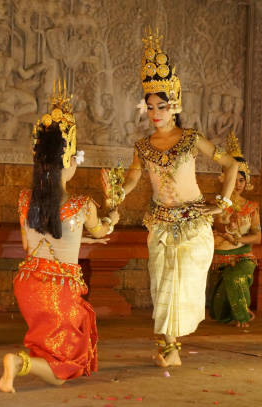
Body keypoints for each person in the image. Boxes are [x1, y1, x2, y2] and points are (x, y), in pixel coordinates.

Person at [102, 29, 239, 368]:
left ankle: (171, 342)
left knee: (184, 285)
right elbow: (135, 176)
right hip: (160, 223)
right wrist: (120, 191)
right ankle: (167, 345)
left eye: (160, 107)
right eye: (149, 108)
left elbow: (231, 164)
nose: (155, 114)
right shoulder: (143, 146)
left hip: (193, 225)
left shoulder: (192, 138)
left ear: (174, 106)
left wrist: (222, 202)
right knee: (163, 286)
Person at [0, 83, 119, 392]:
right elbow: (103, 230)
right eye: (76, 156)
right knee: (68, 366)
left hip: (28, 284)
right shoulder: (82, 205)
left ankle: (27, 361)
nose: (78, 162)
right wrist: (114, 211)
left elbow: (32, 244)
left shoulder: (25, 199)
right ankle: (17, 364)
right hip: (58, 290)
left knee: (50, 345)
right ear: (66, 160)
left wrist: (80, 242)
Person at [209, 132, 260, 328]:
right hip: (220, 258)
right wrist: (224, 231)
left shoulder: (252, 206)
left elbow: (257, 236)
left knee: (234, 277)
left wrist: (239, 240)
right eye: (234, 178)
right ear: (224, 178)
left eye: (241, 180)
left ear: (247, 183)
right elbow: (216, 225)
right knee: (219, 313)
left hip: (243, 256)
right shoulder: (215, 204)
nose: (237, 184)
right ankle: (237, 310)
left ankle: (243, 315)